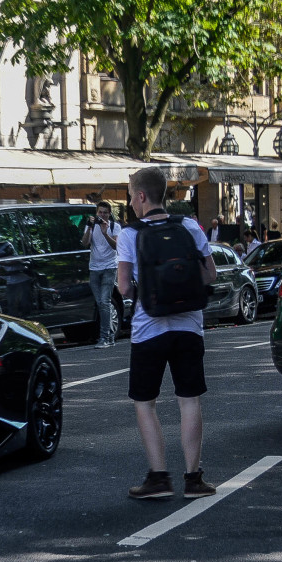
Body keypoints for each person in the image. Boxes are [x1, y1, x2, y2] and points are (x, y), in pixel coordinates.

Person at [116, 166, 218, 500]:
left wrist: (147, 290)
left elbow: (123, 287)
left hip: (149, 329)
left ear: (142, 195)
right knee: (189, 400)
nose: (131, 202)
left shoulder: (130, 234)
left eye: (132, 195)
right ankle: (194, 479)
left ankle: (159, 478)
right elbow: (210, 275)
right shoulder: (189, 226)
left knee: (145, 403)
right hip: (190, 327)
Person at [83, 200, 122, 348]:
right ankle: (110, 336)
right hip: (94, 268)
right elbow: (85, 243)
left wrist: (106, 233)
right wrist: (90, 228)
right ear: (96, 213)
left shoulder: (114, 226)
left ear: (109, 214)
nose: (102, 215)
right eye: (100, 212)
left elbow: (116, 246)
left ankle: (104, 338)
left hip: (109, 267)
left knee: (105, 302)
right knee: (100, 303)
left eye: (105, 213)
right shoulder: (91, 226)